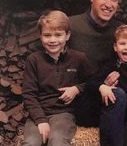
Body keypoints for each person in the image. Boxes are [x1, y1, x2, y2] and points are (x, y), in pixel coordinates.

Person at [69, 0, 126, 146]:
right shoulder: (71, 26)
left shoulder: (120, 30)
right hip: (80, 101)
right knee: (119, 96)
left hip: (109, 98)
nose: (109, 4)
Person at [22, 10, 92, 146]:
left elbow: (93, 81)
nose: (53, 40)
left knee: (58, 141)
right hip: (37, 114)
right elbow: (28, 94)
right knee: (30, 143)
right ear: (40, 37)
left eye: (58, 35)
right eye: (47, 35)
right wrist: (41, 120)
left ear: (67, 35)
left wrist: (77, 88)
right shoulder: (33, 60)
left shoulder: (78, 58)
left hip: (63, 114)